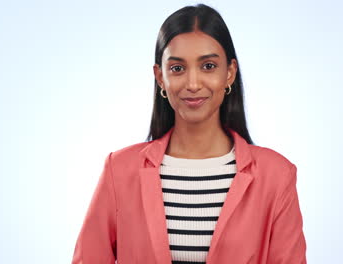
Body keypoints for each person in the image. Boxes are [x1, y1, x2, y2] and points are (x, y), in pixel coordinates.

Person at [72, 3, 307, 264]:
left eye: (208, 66)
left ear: (229, 72)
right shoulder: (119, 170)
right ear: (160, 77)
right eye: (177, 68)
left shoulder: (276, 176)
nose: (193, 84)